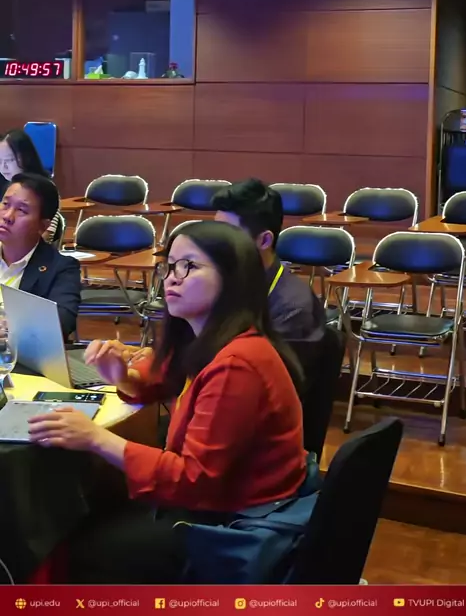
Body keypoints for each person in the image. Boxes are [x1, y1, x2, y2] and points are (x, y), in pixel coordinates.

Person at [28, 220, 307, 584]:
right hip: (216, 501)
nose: (172, 279)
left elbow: (194, 479)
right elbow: (162, 380)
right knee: (85, 505)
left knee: (78, 542)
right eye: (171, 266)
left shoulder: (238, 363)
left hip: (232, 523)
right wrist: (122, 376)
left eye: (189, 266)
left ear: (232, 280)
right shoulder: (203, 337)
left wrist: (95, 438)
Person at [213, 178, 326, 342]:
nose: (216, 242)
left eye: (228, 234)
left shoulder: (292, 309)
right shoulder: (221, 281)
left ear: (264, 240)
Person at [0, 173, 80, 340]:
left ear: (43, 226)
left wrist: (10, 327)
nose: (7, 216)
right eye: (5, 204)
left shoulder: (61, 268)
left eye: (21, 210)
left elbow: (61, 322)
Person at [0, 129, 61, 244]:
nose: (3, 167)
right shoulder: (4, 183)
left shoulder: (45, 188)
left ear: (25, 157)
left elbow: (46, 235)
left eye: (9, 160)